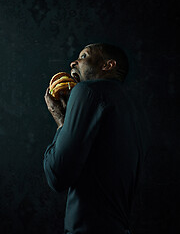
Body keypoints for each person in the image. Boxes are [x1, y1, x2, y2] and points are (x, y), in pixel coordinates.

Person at [44, 43, 145, 234]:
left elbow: (57, 175)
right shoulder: (129, 105)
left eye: (83, 56)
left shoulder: (86, 91)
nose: (73, 62)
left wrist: (60, 121)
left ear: (108, 65)